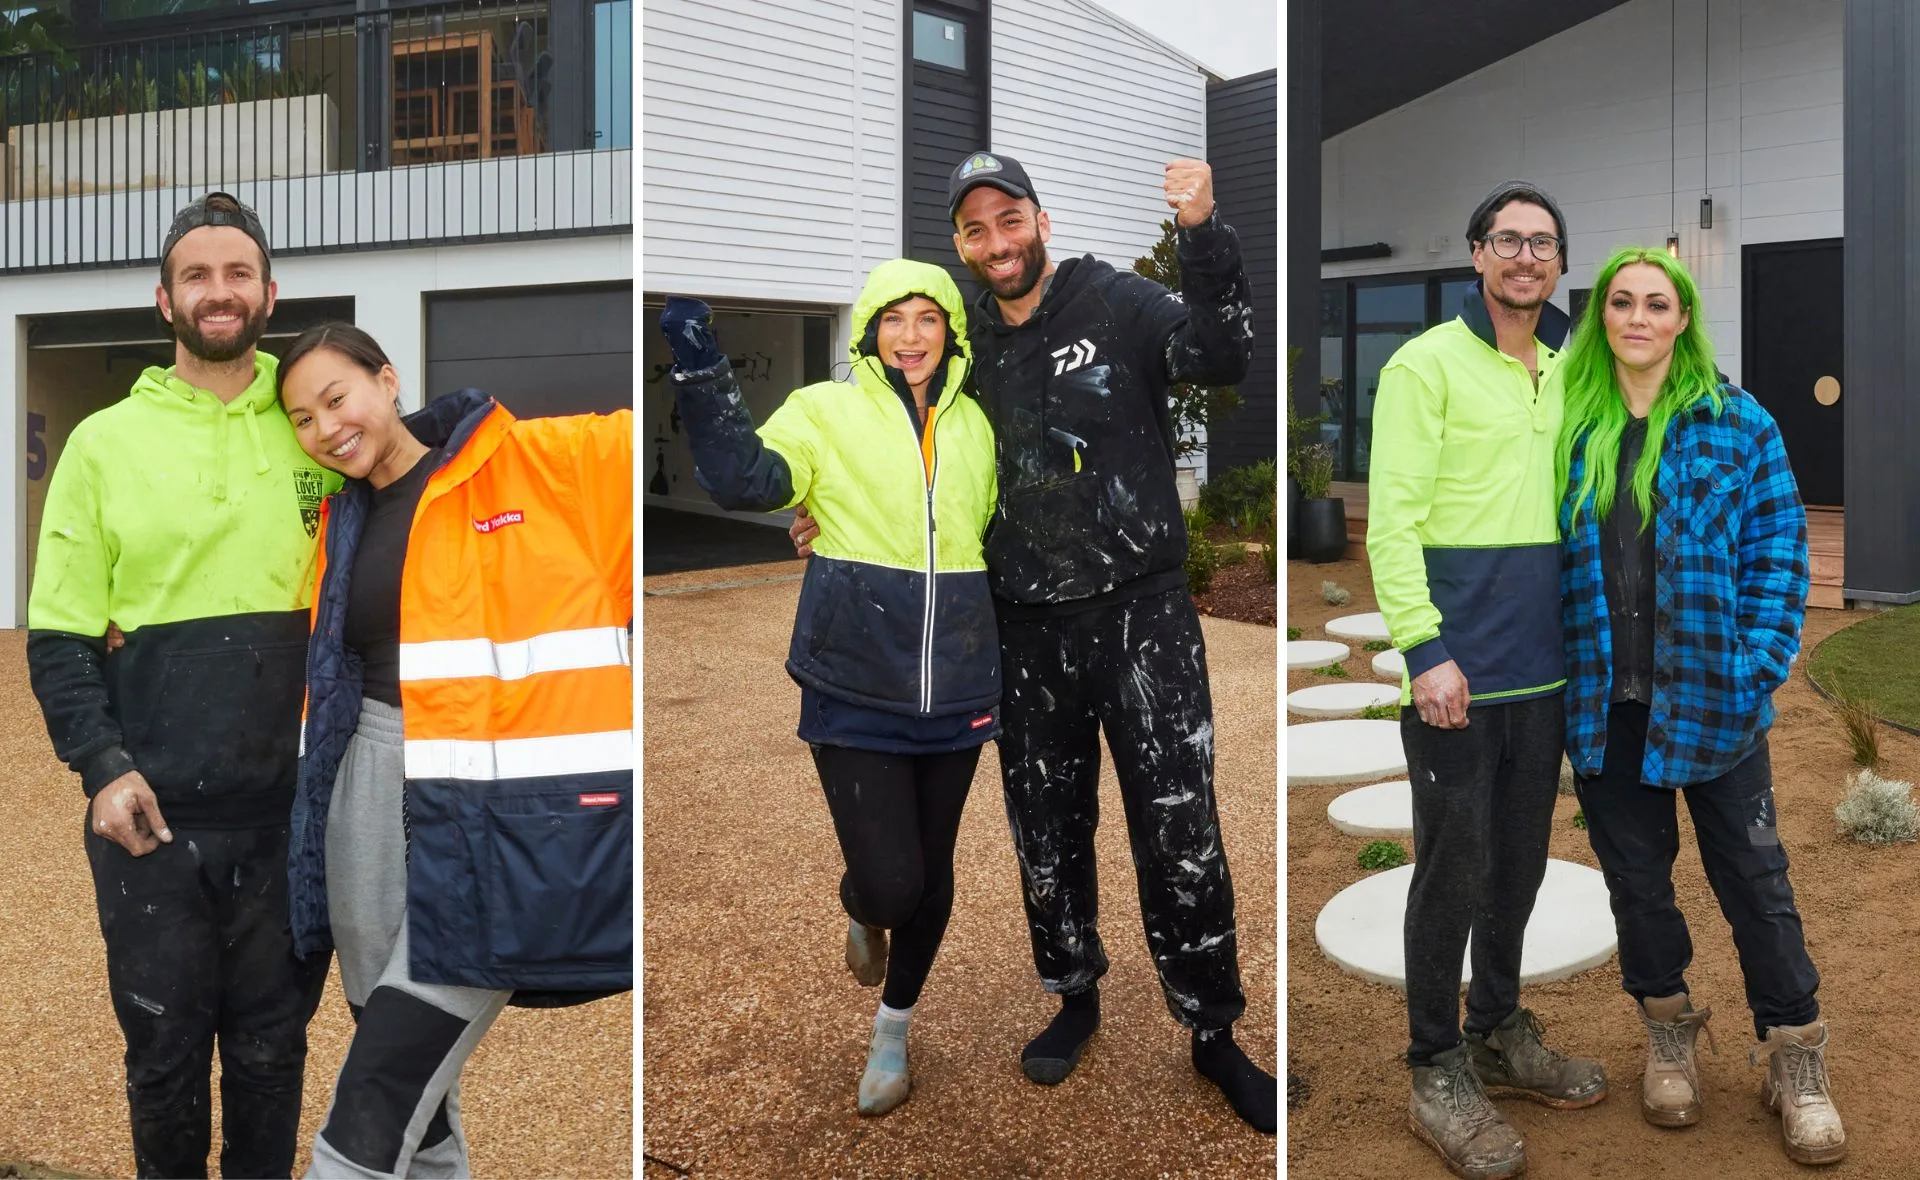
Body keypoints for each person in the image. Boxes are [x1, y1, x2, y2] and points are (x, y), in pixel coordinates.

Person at [801, 152, 1276, 1133]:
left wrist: (1204, 236)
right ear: (963, 247)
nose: (997, 242)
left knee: (1180, 826)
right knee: (1047, 831)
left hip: (1143, 616)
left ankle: (1214, 1032)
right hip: (1020, 626)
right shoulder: (960, 338)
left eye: (1009, 219)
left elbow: (1224, 355)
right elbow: (885, 436)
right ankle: (1075, 993)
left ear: (1040, 219)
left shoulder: (1117, 301)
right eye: (975, 230)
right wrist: (813, 501)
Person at [27, 192, 338, 1179]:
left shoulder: (314, 421)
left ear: (270, 292)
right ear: (163, 298)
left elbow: (428, 484)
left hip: (289, 813)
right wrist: (102, 769)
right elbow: (60, 634)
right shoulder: (103, 444)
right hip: (149, 819)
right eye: (197, 275)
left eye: (237, 273)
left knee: (269, 1054)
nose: (219, 291)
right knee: (163, 1060)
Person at [277, 323, 633, 1178]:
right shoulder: (340, 521)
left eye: (337, 398)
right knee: (401, 1062)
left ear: (388, 379)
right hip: (364, 785)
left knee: (383, 1080)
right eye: (302, 419)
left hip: (497, 807)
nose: (326, 427)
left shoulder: (538, 464)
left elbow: (725, 461)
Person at [659, 259, 1000, 1116]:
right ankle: (862, 903)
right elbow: (748, 480)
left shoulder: (978, 429)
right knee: (891, 881)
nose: (912, 336)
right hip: (854, 684)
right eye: (894, 319)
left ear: (951, 333)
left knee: (934, 873)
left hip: (958, 688)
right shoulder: (823, 409)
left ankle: (894, 1026)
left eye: (929, 318)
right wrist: (701, 366)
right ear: (869, 331)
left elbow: (984, 539)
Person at [1555, 247, 1841, 1165]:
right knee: (1637, 888)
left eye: (1658, 304)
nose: (1639, 317)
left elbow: (1780, 551)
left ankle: (1793, 1051)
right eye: (1622, 303)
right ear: (1603, 318)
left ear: (1683, 320)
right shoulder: (1567, 425)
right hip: (1607, 706)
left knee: (1757, 885)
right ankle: (1668, 1030)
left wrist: (1757, 665)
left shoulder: (1738, 423)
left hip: (1717, 705)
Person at [1366, 180, 1608, 1178]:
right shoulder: (1423, 365)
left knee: (1518, 865)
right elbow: (1391, 522)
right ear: (1475, 254)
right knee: (1452, 869)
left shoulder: (1568, 368)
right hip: (1458, 676)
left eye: (1543, 242)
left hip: (1541, 673)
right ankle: (1434, 1065)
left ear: (1558, 263)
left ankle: (1498, 1029)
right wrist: (1425, 650)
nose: (1525, 257)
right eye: (1507, 239)